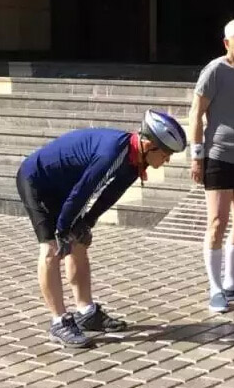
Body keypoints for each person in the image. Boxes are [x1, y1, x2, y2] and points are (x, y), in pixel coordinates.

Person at [16, 110, 186, 347]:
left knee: (79, 242)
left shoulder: (135, 159)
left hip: (66, 186)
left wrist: (87, 222)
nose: (167, 160)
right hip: (37, 180)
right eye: (166, 154)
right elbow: (84, 191)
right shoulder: (113, 154)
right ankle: (58, 321)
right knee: (51, 250)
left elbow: (111, 194)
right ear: (149, 145)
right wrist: (63, 229)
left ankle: (86, 312)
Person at [189, 17, 234, 313]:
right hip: (218, 157)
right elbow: (196, 114)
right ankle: (215, 288)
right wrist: (197, 156)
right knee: (217, 223)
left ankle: (232, 283)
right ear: (227, 43)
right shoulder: (214, 71)